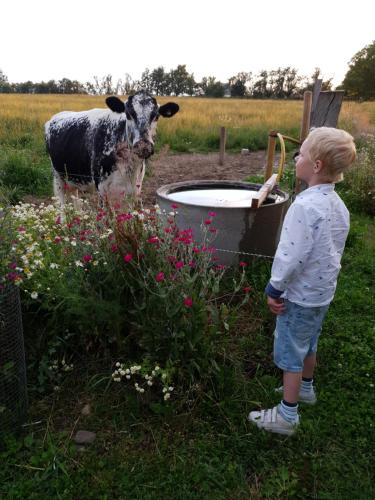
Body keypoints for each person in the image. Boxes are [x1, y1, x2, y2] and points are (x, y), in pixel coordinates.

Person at [248, 127, 356, 436]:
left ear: (317, 165)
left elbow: (291, 257)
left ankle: (287, 415)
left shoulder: (304, 207)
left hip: (298, 296)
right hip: (321, 295)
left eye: (302, 153)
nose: (297, 158)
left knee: (290, 353)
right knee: (309, 342)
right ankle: (306, 389)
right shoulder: (338, 206)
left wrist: (274, 288)